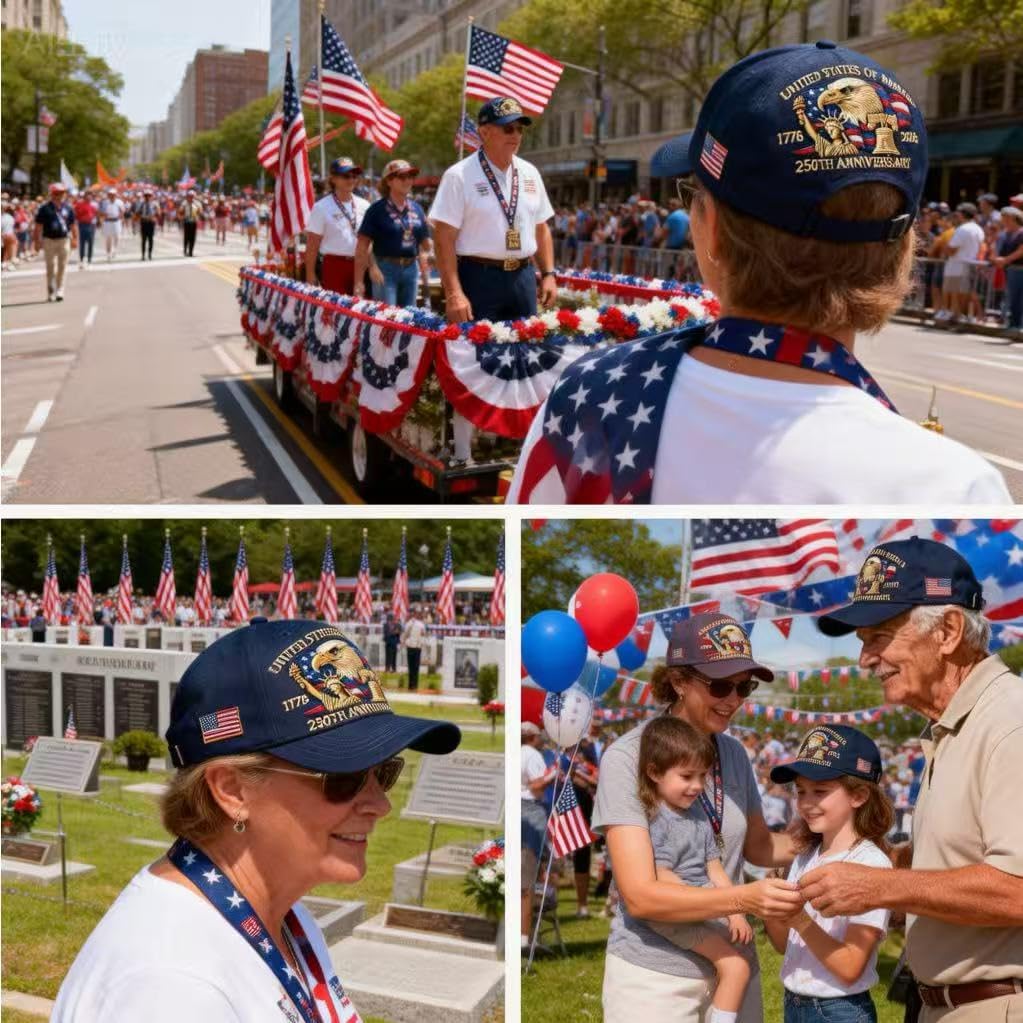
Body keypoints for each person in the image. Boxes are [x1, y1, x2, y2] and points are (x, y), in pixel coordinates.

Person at [507, 42, 1011, 504]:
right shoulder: (956, 490)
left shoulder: (588, 398)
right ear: (905, 248)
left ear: (713, 232)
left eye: (695, 199)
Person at [52, 618, 460, 1022]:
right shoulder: (172, 987)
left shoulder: (282, 918)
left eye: (384, 772)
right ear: (231, 790)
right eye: (344, 778)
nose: (379, 804)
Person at [801, 537, 1023, 1021]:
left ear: (947, 631)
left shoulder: (1010, 722)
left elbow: (1017, 889)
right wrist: (900, 867)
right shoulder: (953, 727)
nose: (864, 660)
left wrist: (882, 887)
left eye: (879, 636)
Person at [592, 612, 805, 1021]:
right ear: (678, 681)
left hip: (734, 966)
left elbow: (760, 847)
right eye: (721, 685)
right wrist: (743, 898)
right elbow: (640, 895)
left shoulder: (735, 754)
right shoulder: (628, 757)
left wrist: (835, 837)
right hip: (655, 975)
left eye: (744, 686)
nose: (733, 700)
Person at [763, 726, 894, 1023]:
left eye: (820, 791)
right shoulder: (807, 856)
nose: (806, 803)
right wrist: (772, 910)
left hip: (839, 1011)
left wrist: (799, 918)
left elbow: (850, 966)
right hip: (795, 1004)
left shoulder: (871, 864)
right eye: (801, 791)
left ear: (858, 795)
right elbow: (785, 945)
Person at [635, 716, 754, 1023]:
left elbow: (715, 868)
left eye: (702, 776)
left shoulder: (699, 816)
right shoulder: (656, 818)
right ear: (654, 772)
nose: (697, 786)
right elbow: (661, 876)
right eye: (687, 776)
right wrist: (709, 902)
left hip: (700, 906)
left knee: (735, 964)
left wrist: (736, 911)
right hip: (674, 915)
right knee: (736, 967)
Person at [430, 96, 557, 323]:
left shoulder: (530, 172)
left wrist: (548, 274)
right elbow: (443, 238)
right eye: (508, 129)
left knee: (526, 353)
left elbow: (541, 227)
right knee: (474, 355)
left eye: (520, 129)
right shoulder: (458, 175)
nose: (516, 135)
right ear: (484, 132)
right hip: (478, 278)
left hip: (523, 277)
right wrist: (453, 293)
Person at [354, 158, 431, 308]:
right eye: (401, 177)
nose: (407, 180)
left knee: (410, 318)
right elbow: (362, 246)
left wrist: (433, 241)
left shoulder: (417, 208)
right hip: (385, 270)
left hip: (411, 269)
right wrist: (362, 279)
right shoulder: (376, 210)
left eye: (410, 176)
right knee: (387, 319)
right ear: (388, 181)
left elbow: (426, 244)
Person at [304, 157, 371, 295]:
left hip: (361, 266)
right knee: (335, 311)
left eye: (354, 176)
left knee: (361, 310)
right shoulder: (321, 207)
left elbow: (370, 241)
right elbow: (312, 245)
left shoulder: (365, 205)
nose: (351, 180)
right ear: (333, 179)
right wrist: (310, 275)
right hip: (334, 265)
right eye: (346, 176)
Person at [521, 721, 553, 949]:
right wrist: (554, 775)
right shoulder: (532, 755)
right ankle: (524, 935)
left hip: (521, 809)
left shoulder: (519, 753)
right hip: (531, 810)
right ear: (532, 736)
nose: (542, 738)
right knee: (530, 870)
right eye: (539, 735)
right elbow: (536, 786)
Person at [941, 203, 985, 325]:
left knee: (957, 294)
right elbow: (982, 247)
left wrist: (945, 247)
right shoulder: (978, 229)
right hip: (970, 265)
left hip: (957, 266)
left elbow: (951, 250)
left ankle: (957, 318)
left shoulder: (962, 229)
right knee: (967, 293)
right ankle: (966, 317)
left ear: (961, 214)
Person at [33, 182, 76, 302]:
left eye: (62, 193)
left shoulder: (68, 208)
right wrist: (36, 241)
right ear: (52, 194)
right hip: (49, 240)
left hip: (64, 240)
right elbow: (38, 226)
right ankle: (51, 291)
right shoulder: (44, 209)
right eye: (57, 193)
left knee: (62, 266)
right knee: (50, 267)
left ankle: (60, 290)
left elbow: (73, 225)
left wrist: (75, 239)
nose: (59, 195)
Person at [992, 204, 1023, 333]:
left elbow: (1021, 251)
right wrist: (996, 259)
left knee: (1018, 298)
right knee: (1013, 297)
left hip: (1019, 268)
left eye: (1006, 219)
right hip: (1011, 269)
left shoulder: (1021, 232)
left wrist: (1005, 260)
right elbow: (997, 248)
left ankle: (1017, 325)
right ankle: (1013, 324)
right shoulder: (1006, 234)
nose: (1004, 221)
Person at [400, 607, 426, 692]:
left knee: (414, 667)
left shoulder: (418, 624)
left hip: (415, 646)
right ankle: (412, 685)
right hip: (412, 646)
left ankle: (413, 685)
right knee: (413, 667)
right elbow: (405, 635)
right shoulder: (410, 624)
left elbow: (422, 635)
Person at [72, 190, 98, 268]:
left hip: (91, 225)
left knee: (90, 243)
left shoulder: (93, 205)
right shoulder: (79, 204)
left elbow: (95, 214)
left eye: (90, 195)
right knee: (82, 243)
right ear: (85, 196)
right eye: (88, 195)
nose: (89, 197)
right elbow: (75, 215)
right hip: (82, 225)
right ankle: (82, 259)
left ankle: (89, 260)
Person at [98, 188, 124, 262]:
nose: (112, 196)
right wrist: (103, 216)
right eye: (110, 194)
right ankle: (108, 253)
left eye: (113, 195)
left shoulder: (119, 202)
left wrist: (121, 216)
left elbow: (123, 211)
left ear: (116, 195)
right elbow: (100, 212)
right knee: (108, 239)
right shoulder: (104, 202)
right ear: (108, 195)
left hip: (116, 221)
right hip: (107, 222)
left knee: (117, 237)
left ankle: (114, 250)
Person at [180, 190, 203, 257]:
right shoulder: (184, 203)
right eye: (189, 196)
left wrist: (199, 211)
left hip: (194, 221)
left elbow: (201, 212)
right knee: (186, 236)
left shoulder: (197, 203)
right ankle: (185, 249)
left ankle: (190, 251)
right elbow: (180, 211)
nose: (191, 197)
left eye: (192, 196)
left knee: (192, 237)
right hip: (187, 221)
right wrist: (181, 216)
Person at [138, 189, 160, 261]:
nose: (147, 197)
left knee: (150, 239)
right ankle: (143, 255)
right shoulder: (141, 204)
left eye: (149, 196)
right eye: (146, 196)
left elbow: (158, 213)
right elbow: (138, 213)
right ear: (144, 196)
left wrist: (155, 216)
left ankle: (150, 254)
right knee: (143, 240)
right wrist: (140, 217)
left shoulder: (154, 204)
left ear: (151, 196)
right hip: (144, 222)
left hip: (151, 223)